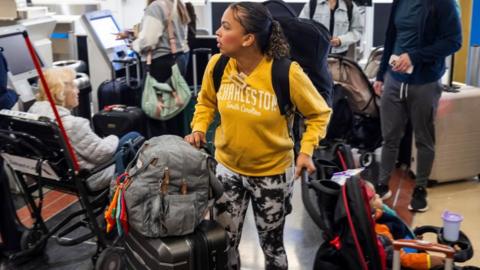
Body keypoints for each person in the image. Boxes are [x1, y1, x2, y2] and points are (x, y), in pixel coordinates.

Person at [185, 2, 332, 269]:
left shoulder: (285, 72)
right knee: (224, 246)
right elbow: (206, 102)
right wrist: (198, 129)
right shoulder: (218, 66)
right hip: (227, 171)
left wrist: (307, 149)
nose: (217, 32)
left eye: (226, 27)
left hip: (272, 175)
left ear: (248, 39)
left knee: (273, 247)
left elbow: (319, 113)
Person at [373, 0, 462, 212]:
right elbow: (391, 37)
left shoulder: (444, 3)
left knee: (424, 138)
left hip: (425, 81)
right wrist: (381, 74)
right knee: (390, 137)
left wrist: (414, 56)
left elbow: (453, 41)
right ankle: (383, 184)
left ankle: (420, 188)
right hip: (394, 79)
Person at [28, 67, 140, 191]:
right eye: (74, 87)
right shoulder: (73, 124)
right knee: (134, 137)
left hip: (56, 177)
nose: (78, 91)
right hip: (90, 178)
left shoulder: (33, 115)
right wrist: (113, 137)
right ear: (62, 92)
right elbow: (103, 154)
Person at [131, 0, 191, 137]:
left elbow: (149, 41)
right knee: (174, 112)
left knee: (157, 114)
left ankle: (160, 154)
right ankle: (177, 150)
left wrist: (134, 44)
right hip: (177, 59)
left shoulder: (155, 7)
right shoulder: (177, 4)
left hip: (160, 64)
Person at [364, 182, 445, 269]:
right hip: (409, 259)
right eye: (374, 197)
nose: (378, 195)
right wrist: (429, 260)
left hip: (408, 246)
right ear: (368, 207)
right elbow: (400, 259)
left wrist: (411, 237)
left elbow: (397, 224)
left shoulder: (380, 215)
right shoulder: (379, 229)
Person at [299, 0, 364, 57]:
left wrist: (341, 40)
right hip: (315, 56)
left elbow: (357, 30)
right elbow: (301, 28)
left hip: (339, 57)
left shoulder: (350, 6)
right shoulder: (312, 4)